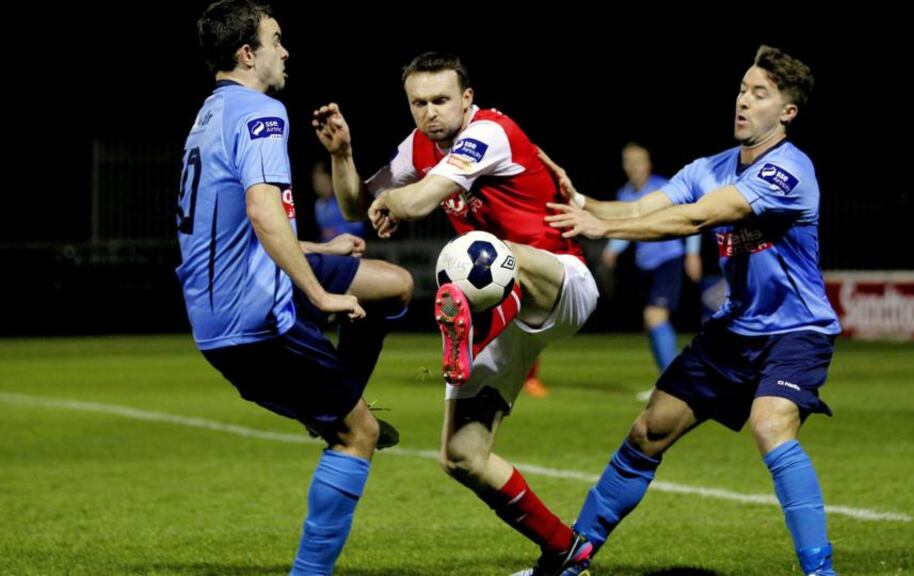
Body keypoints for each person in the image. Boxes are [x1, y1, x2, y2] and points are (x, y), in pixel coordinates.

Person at [545, 45, 839, 576]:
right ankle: (571, 559)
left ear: (787, 112)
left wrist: (605, 229)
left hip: (796, 330)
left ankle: (821, 572)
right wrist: (582, 202)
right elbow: (638, 207)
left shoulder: (791, 171)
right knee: (647, 431)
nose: (743, 101)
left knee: (770, 425)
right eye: (742, 89)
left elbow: (700, 218)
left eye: (759, 93)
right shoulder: (711, 166)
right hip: (733, 330)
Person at [312, 52, 599, 575]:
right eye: (418, 103)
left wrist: (396, 205)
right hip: (502, 309)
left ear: (466, 99)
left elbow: (418, 201)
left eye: (441, 100)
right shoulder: (419, 145)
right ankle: (566, 551)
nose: (429, 112)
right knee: (462, 457)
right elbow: (357, 206)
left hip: (560, 281)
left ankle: (472, 329)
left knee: (477, 252)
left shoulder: (490, 131)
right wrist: (343, 155)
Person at [175, 2, 413, 574]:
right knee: (360, 433)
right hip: (253, 319)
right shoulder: (261, 112)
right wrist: (321, 291)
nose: (285, 51)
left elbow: (233, 229)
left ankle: (335, 399)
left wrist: (320, 250)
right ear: (247, 53)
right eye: (275, 40)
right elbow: (262, 210)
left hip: (234, 295)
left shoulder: (210, 116)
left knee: (396, 286)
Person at [601, 143, 702, 390]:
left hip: (668, 259)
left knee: (654, 316)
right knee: (652, 322)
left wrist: (692, 254)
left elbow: (692, 216)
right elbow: (626, 228)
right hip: (644, 265)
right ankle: (670, 378)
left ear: (648, 163)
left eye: (638, 161)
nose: (634, 167)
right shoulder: (625, 194)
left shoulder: (664, 189)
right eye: (629, 162)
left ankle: (672, 383)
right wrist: (612, 250)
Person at [312, 159, 365, 241]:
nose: (320, 187)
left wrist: (337, 232)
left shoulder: (343, 201)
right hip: (328, 251)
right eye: (316, 183)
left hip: (349, 249)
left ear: (331, 181)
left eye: (323, 183)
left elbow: (358, 226)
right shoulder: (318, 205)